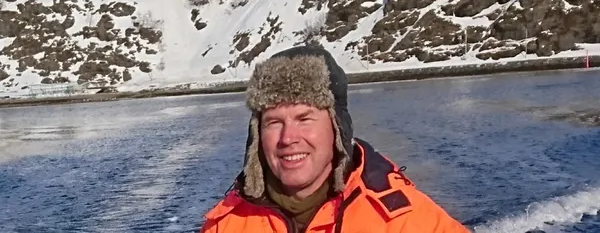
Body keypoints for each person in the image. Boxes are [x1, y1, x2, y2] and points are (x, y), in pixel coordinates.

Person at [200, 45, 469, 233]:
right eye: (274, 122)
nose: (288, 138)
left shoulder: (405, 221)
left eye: (304, 118)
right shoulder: (224, 225)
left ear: (336, 127)